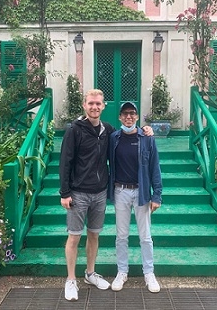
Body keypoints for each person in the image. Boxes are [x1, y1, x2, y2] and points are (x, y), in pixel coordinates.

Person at [59, 89, 153, 301]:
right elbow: (65, 162)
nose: (94, 107)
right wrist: (64, 192)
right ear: (85, 105)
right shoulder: (74, 130)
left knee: (94, 235)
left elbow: (128, 135)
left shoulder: (107, 131)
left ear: (103, 107)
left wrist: (147, 130)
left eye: (98, 104)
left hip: (100, 193)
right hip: (78, 192)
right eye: (91, 103)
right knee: (74, 236)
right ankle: (71, 280)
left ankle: (90, 274)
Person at [108, 101, 162, 293]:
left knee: (145, 237)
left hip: (141, 192)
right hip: (120, 191)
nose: (129, 117)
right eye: (125, 114)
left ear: (137, 117)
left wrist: (157, 195)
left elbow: (155, 167)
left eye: (132, 113)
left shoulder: (146, 138)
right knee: (121, 236)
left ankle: (149, 272)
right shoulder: (113, 138)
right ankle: (122, 271)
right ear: (120, 117)